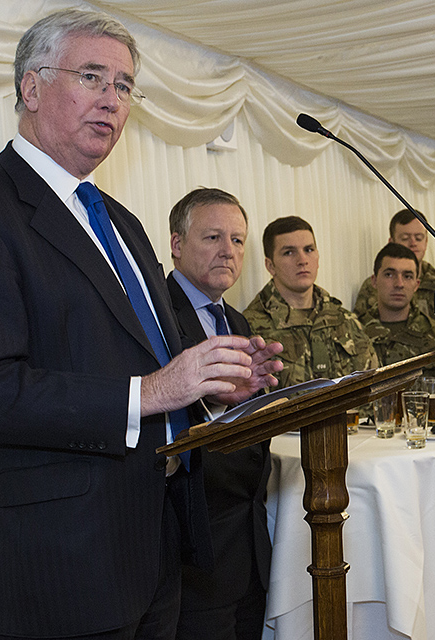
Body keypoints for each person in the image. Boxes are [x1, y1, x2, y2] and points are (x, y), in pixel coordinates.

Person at [0, 10, 282, 640]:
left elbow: (151, 363)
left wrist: (215, 387)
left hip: (154, 546)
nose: (112, 100)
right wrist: (158, 391)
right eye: (92, 76)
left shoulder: (121, 222)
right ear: (31, 88)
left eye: (124, 85)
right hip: (54, 566)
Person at [167, 188, 274, 640]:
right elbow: (158, 409)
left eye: (237, 240)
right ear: (176, 244)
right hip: (193, 541)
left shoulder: (237, 320)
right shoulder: (155, 314)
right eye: (212, 237)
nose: (228, 251)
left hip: (246, 534)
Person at [244, 216, 379, 388]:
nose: (302, 260)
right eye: (289, 252)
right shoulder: (250, 327)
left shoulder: (345, 320)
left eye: (308, 250)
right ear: (270, 266)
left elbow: (373, 386)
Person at [354, 209, 435, 323]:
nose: (413, 243)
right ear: (392, 242)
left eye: (418, 238)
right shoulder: (374, 286)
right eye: (405, 238)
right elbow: (360, 328)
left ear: (426, 242)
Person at [362, 243, 435, 370]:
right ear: (374, 281)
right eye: (389, 275)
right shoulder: (357, 333)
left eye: (407, 276)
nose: (399, 284)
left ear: (416, 284)